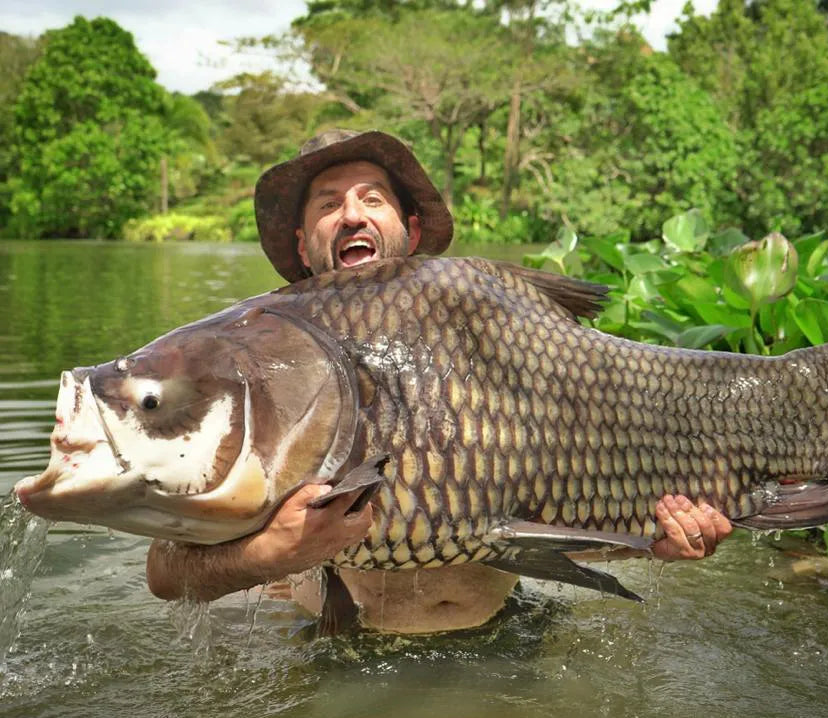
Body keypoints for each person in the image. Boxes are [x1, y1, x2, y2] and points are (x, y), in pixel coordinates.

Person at [146, 129, 734, 634]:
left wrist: (655, 541)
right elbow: (165, 572)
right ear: (303, 244)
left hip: (501, 634)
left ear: (411, 229)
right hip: (338, 648)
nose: (351, 214)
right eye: (328, 204)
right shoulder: (260, 364)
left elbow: (559, 518)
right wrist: (268, 554)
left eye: (370, 198)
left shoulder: (493, 337)